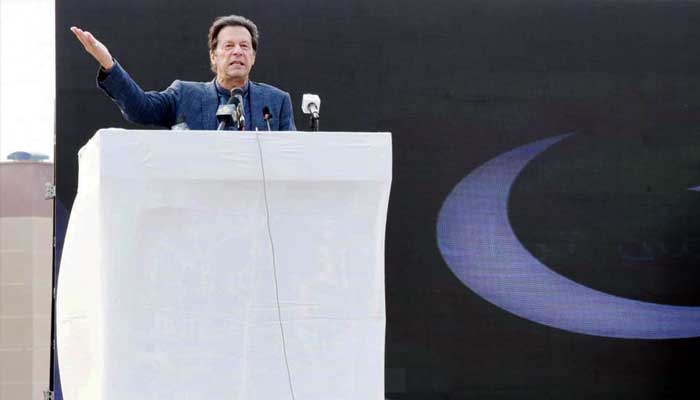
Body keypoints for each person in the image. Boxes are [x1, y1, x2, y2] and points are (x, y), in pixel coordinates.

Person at [70, 15, 296, 131]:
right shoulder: (184, 95)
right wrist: (107, 62)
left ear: (254, 57)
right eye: (229, 46)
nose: (237, 52)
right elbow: (140, 108)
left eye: (245, 46)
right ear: (213, 56)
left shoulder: (276, 102)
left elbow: (292, 157)